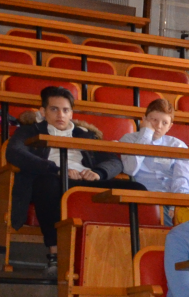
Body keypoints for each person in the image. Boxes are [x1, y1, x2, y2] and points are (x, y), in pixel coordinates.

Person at [6, 86, 146, 276]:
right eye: (54, 109)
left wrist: (98, 173)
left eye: (65, 110)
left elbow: (114, 161)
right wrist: (56, 170)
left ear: (71, 113)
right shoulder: (30, 131)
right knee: (46, 185)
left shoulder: (85, 134)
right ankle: (54, 255)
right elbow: (14, 153)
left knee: (137, 188)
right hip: (52, 178)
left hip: (85, 180)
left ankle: (129, 257)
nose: (60, 115)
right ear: (43, 111)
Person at [119, 98, 189, 219]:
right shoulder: (129, 140)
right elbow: (130, 169)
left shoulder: (178, 146)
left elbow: (181, 180)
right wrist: (145, 135)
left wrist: (177, 205)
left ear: (170, 126)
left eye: (164, 123)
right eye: (154, 120)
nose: (158, 126)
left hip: (173, 201)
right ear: (144, 119)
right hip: (146, 200)